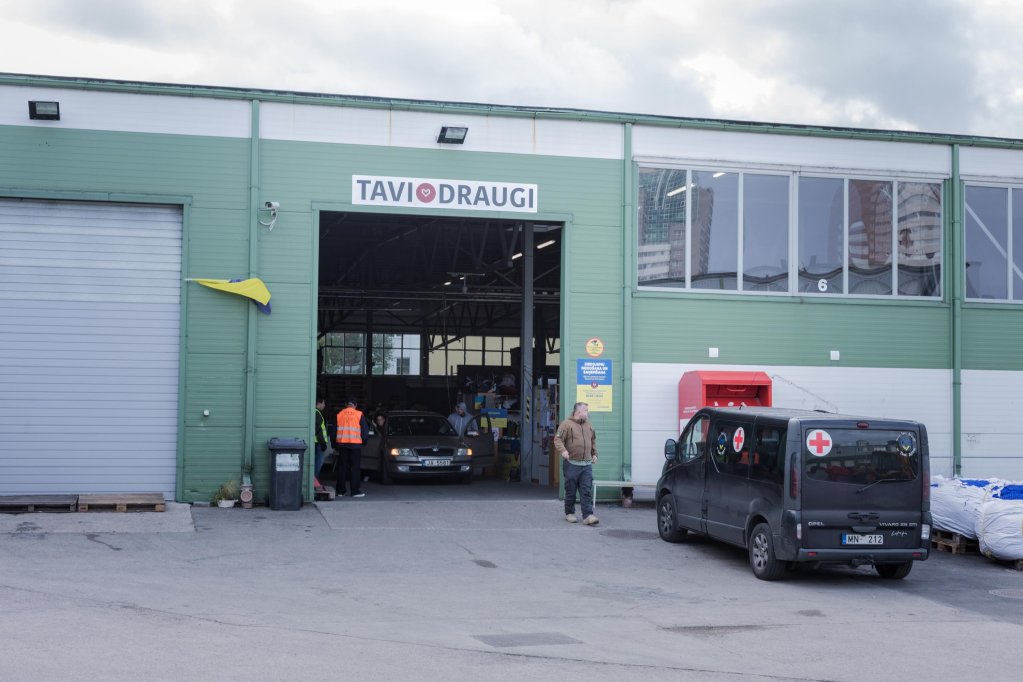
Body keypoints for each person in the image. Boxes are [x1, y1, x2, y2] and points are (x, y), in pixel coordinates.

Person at [554, 402, 599, 525]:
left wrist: (594, 454)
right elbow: (557, 439)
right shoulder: (566, 424)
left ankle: (588, 515)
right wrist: (563, 451)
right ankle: (569, 513)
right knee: (571, 490)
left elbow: (593, 440)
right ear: (578, 412)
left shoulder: (589, 425)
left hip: (586, 465)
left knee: (586, 491)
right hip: (572, 464)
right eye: (586, 410)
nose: (587, 412)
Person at [335, 396, 369, 498]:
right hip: (355, 446)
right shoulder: (359, 414)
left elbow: (333, 431)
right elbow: (365, 431)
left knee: (342, 468)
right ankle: (355, 491)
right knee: (355, 469)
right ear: (355, 405)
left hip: (342, 445)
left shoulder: (339, 415)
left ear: (346, 405)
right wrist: (363, 442)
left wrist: (335, 444)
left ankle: (340, 491)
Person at [313, 396, 332, 493]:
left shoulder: (315, 413)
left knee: (316, 464)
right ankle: (314, 484)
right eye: (323, 403)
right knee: (317, 465)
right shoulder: (317, 413)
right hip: (318, 444)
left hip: (317, 443)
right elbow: (319, 431)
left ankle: (314, 483)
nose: (324, 405)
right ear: (318, 403)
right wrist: (323, 444)